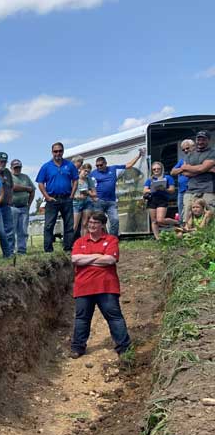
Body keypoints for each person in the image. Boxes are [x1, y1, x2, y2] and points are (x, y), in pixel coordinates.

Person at [70, 210, 131, 361]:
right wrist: (98, 256)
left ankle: (124, 348)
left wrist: (87, 259)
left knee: (114, 317)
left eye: (96, 223)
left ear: (103, 225)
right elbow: (75, 259)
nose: (92, 225)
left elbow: (110, 260)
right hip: (83, 287)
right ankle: (78, 348)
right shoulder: (80, 242)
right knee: (82, 318)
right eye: (90, 222)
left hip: (106, 286)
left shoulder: (111, 240)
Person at [87, 149, 144, 237]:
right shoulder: (93, 173)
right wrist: (92, 196)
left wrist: (139, 156)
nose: (99, 167)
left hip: (111, 201)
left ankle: (112, 239)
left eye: (100, 165)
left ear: (105, 164)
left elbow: (128, 165)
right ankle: (101, 239)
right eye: (97, 165)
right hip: (99, 201)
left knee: (115, 220)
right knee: (98, 222)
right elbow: (86, 185)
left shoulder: (113, 169)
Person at [36, 142, 78, 252]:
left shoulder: (69, 165)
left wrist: (72, 195)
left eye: (60, 151)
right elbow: (40, 183)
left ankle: (68, 248)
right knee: (49, 225)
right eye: (55, 151)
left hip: (66, 198)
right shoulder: (46, 166)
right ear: (52, 152)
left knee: (69, 225)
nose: (58, 153)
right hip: (52, 199)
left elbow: (75, 180)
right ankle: (48, 250)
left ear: (63, 151)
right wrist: (47, 196)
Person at [174, 131, 215, 222]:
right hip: (191, 189)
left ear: (208, 140)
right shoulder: (190, 155)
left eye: (203, 139)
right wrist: (206, 169)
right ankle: (188, 234)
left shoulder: (212, 153)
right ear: (196, 140)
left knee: (209, 215)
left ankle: (207, 235)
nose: (200, 142)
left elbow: (201, 169)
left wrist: (189, 168)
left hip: (208, 189)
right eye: (198, 139)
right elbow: (185, 173)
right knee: (187, 216)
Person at [143, 161, 176, 240]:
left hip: (162, 199)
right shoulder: (150, 179)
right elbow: (144, 190)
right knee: (154, 221)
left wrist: (164, 189)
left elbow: (172, 190)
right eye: (154, 169)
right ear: (152, 170)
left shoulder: (167, 177)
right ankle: (158, 238)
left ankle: (177, 222)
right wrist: (152, 189)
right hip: (152, 199)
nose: (156, 170)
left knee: (160, 220)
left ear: (162, 169)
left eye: (158, 169)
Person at [10, 159, 35, 255]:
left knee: (23, 230)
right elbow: (13, 187)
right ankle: (10, 251)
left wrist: (29, 204)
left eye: (19, 167)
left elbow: (32, 190)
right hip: (12, 207)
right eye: (15, 167)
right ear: (11, 168)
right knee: (12, 230)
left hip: (24, 207)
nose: (17, 169)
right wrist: (26, 188)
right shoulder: (9, 176)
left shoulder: (25, 177)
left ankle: (22, 250)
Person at [0, 151, 15, 253]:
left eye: (4, 162)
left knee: (9, 229)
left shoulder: (7, 172)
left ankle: (9, 252)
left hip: (6, 205)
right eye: (0, 161)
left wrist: (10, 199)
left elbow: (11, 187)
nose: (2, 164)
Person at [170, 139, 194, 220]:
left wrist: (183, 169)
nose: (185, 151)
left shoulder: (197, 159)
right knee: (181, 211)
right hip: (181, 190)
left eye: (187, 148)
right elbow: (172, 172)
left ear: (193, 147)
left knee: (190, 210)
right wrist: (183, 168)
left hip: (192, 189)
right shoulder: (182, 161)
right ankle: (182, 228)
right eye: (183, 150)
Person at [72, 161, 96, 240]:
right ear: (81, 170)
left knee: (85, 223)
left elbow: (94, 193)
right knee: (74, 225)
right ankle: (69, 243)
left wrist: (88, 193)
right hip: (76, 203)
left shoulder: (89, 180)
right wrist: (76, 196)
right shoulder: (74, 179)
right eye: (85, 171)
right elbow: (69, 192)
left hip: (87, 202)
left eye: (88, 172)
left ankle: (84, 242)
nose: (86, 173)